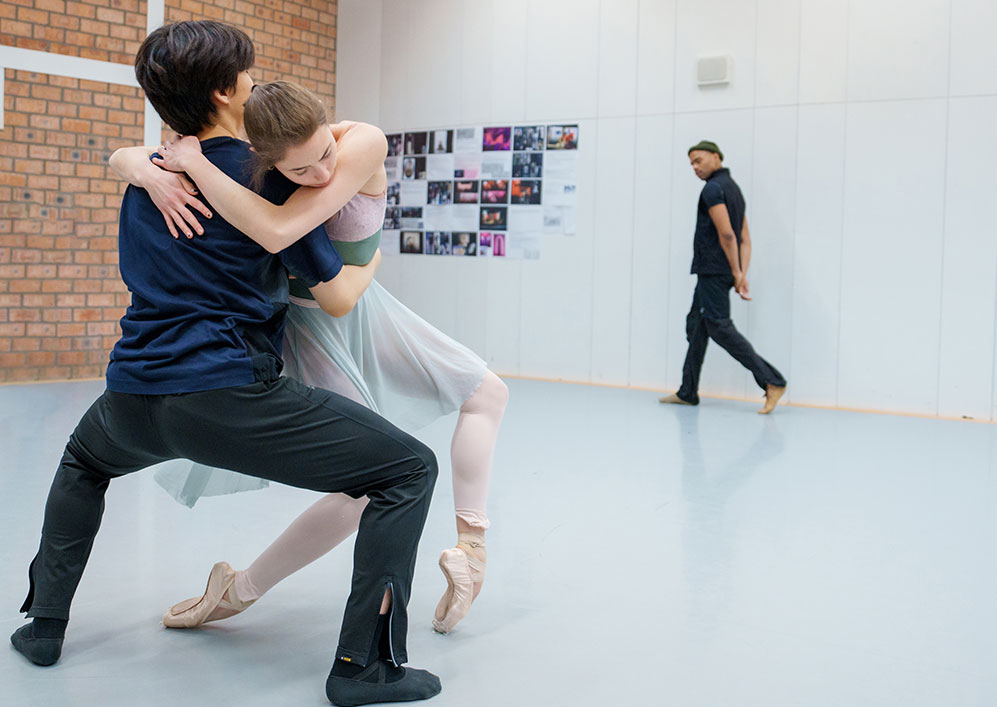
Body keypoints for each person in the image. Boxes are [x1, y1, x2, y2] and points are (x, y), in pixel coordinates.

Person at [11, 22, 442, 707]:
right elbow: (332, 296)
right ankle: (365, 666)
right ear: (222, 91)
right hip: (227, 396)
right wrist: (373, 257)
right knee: (409, 469)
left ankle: (43, 625)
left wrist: (130, 160)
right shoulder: (262, 178)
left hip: (130, 392)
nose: (254, 82)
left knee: (84, 464)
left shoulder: (150, 173)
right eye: (247, 75)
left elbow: (137, 169)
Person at [113, 80, 508, 635]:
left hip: (366, 306)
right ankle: (241, 589)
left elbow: (285, 233)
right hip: (318, 317)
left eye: (325, 154)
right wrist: (145, 166)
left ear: (330, 126)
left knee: (487, 391)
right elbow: (331, 287)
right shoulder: (258, 173)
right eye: (300, 172)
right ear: (271, 167)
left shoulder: (362, 140)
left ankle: (472, 550)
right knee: (358, 487)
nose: (322, 175)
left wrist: (178, 165)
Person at [659, 140, 787, 414]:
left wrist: (738, 272)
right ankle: (687, 391)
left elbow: (728, 234)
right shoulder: (733, 189)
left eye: (699, 160)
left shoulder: (713, 189)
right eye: (691, 163)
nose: (694, 167)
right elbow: (745, 239)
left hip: (713, 271)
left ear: (716, 157)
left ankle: (772, 381)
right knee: (697, 326)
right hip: (720, 271)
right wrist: (740, 274)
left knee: (718, 327)